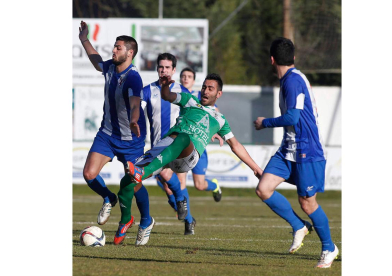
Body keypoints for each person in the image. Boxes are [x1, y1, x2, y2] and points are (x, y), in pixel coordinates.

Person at [122, 74, 263, 233]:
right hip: (167, 147)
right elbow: (167, 96)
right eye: (204, 87)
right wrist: (165, 86)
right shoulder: (189, 100)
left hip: (188, 155)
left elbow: (236, 145)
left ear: (218, 94)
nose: (205, 91)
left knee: (183, 141)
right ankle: (125, 222)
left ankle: (146, 174)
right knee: (127, 180)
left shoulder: (220, 119)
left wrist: (256, 168)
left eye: (210, 89)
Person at [253, 37, 338, 268]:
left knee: (308, 203)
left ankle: (329, 247)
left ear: (272, 60)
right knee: (263, 188)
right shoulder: (291, 79)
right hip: (289, 148)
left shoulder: (292, 81)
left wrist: (265, 122)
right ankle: (299, 226)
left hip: (307, 150)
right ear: (293, 57)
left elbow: (293, 117)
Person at [78, 21, 154, 246]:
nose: (113, 50)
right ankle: (109, 197)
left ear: (130, 53)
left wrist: (132, 120)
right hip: (107, 134)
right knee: (89, 174)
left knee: (135, 182)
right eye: (114, 46)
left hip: (132, 139)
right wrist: (84, 39)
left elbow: (134, 103)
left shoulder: (133, 78)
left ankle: (146, 220)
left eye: (118, 47)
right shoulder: (110, 67)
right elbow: (97, 62)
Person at [139, 53, 198, 235]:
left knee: (175, 179)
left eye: (167, 67)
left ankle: (186, 217)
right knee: (167, 184)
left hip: (178, 145)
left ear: (173, 70)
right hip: (157, 145)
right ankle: (188, 217)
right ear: (157, 69)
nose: (163, 70)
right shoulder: (147, 90)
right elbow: (137, 110)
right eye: (161, 67)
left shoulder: (182, 92)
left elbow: (195, 114)